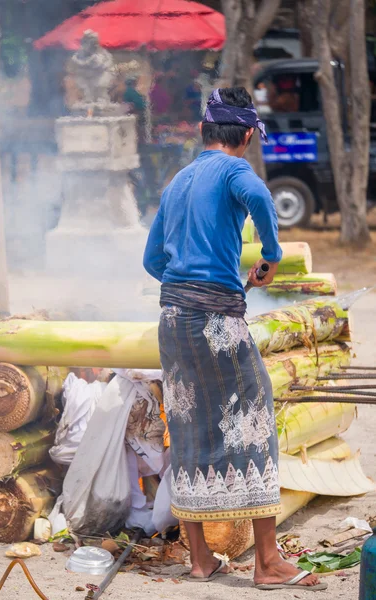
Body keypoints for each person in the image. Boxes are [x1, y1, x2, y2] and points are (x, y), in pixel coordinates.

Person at [143, 87, 327, 592]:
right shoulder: (235, 172)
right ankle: (267, 562)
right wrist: (267, 253)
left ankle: (200, 557)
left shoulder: (178, 180)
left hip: (173, 320)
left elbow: (151, 261)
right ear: (246, 135)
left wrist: (184, 283)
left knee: (188, 424)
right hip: (217, 321)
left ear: (206, 132)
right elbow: (261, 198)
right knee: (253, 415)